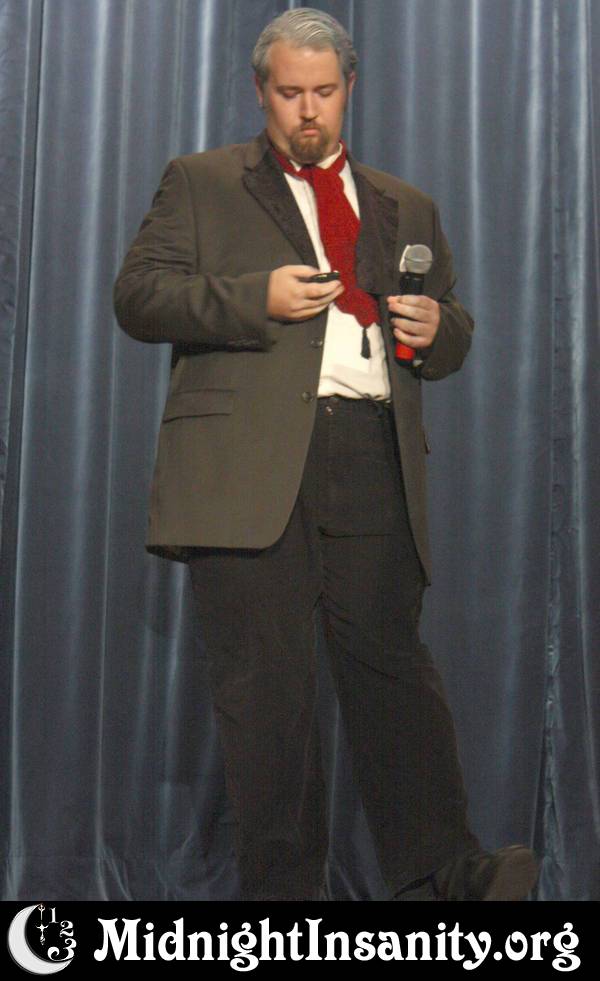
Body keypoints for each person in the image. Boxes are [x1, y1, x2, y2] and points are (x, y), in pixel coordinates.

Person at [114, 8, 538, 902]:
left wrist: (437, 329)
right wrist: (252, 298)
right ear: (259, 92)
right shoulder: (202, 182)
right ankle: (285, 905)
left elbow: (454, 329)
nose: (307, 111)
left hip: (373, 452)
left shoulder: (404, 202)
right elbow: (139, 296)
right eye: (289, 93)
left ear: (350, 89)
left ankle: (447, 872)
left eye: (323, 92)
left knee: (394, 668)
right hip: (251, 466)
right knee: (267, 695)